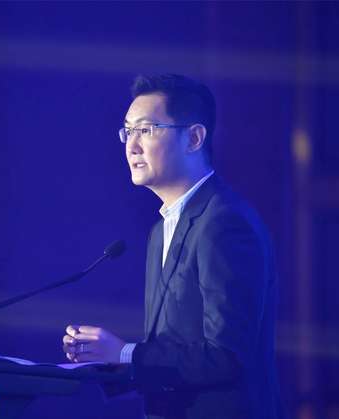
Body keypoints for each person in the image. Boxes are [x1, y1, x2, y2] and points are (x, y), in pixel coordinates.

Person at [62, 74, 281, 419]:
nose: (131, 146)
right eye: (127, 131)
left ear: (193, 138)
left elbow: (227, 356)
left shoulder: (225, 223)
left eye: (146, 130)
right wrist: (107, 359)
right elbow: (173, 355)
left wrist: (126, 352)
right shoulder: (160, 232)